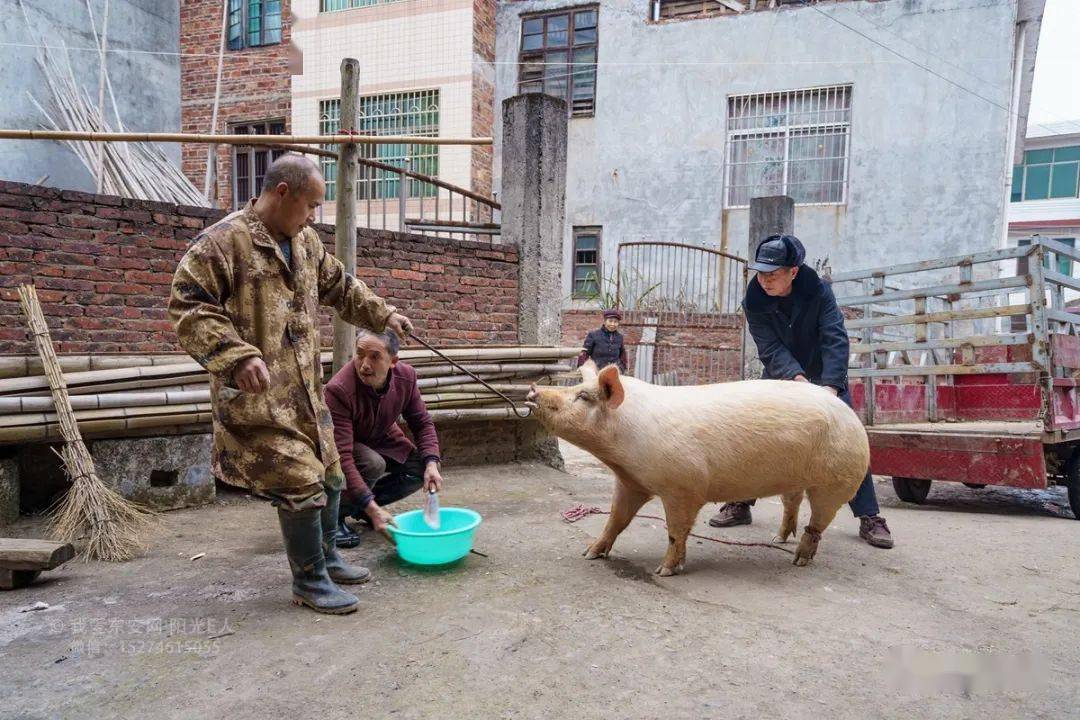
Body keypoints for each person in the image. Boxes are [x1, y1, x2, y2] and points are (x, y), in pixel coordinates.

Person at [169, 154, 413, 615]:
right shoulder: (220, 244)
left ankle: (327, 557)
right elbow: (188, 308)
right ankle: (309, 582)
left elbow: (342, 287)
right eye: (312, 205)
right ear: (283, 193)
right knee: (302, 482)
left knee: (331, 470)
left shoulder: (305, 244)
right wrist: (234, 355)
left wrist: (384, 314)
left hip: (304, 391)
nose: (314, 215)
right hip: (257, 400)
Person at [708, 234, 894, 549]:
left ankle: (870, 517)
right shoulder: (754, 301)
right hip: (782, 376)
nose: (765, 280)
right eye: (761, 273)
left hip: (826, 376)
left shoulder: (819, 292)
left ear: (793, 271)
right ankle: (740, 503)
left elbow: (835, 338)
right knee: (757, 438)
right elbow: (769, 347)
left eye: (773, 274)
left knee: (847, 441)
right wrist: (797, 381)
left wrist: (830, 389)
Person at [324, 329, 444, 549]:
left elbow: (422, 422)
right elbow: (341, 456)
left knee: (420, 467)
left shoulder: (406, 377)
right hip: (344, 445)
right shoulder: (339, 389)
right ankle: (334, 517)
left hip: (383, 437)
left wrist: (432, 463)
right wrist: (370, 505)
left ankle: (366, 508)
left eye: (375, 356)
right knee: (372, 463)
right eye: (360, 354)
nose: (365, 364)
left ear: (393, 361)